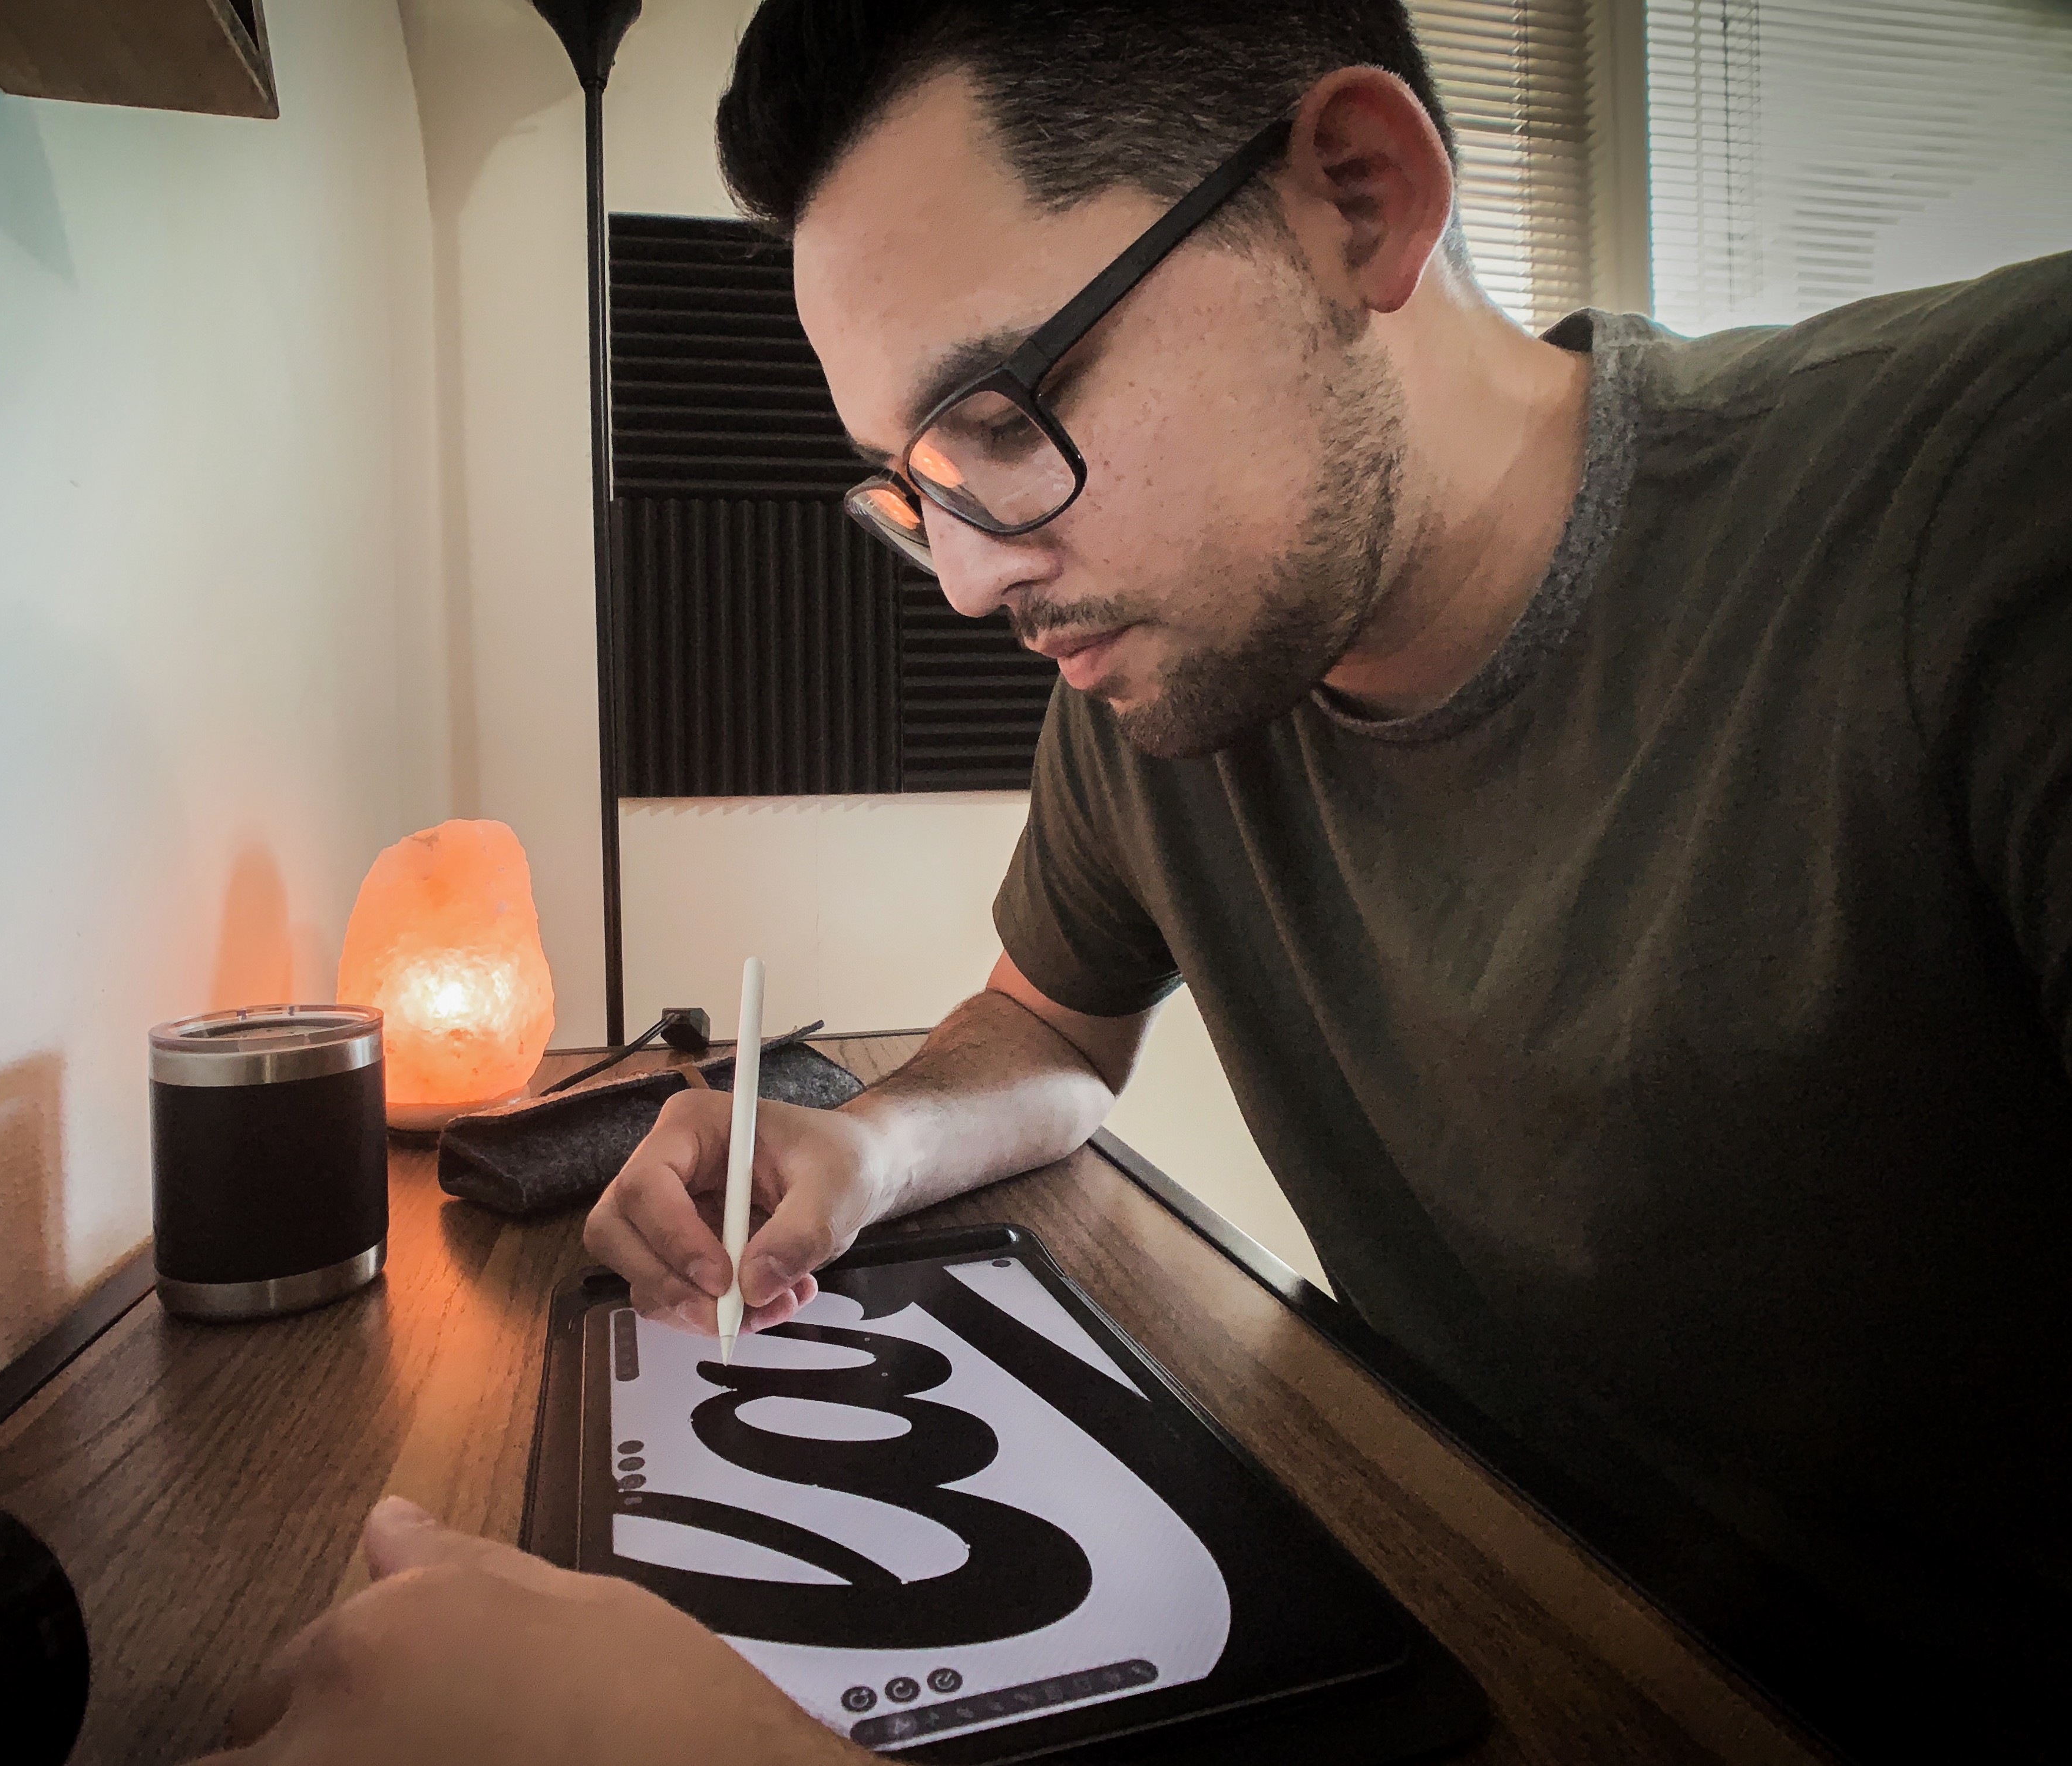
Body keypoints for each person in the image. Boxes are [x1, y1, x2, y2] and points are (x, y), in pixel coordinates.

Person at [200, 1, 2072, 1759]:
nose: (961, 579)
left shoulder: (1998, 498)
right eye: (909, 486)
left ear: (1360, 200)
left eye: (1003, 421)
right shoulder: (1164, 693)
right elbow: (1051, 1022)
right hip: (1478, 1622)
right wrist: (870, 1146)